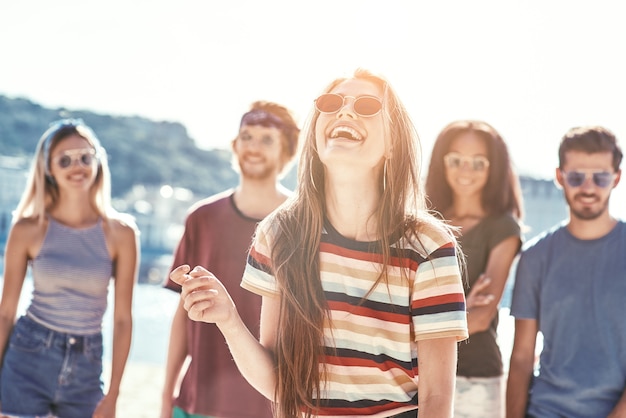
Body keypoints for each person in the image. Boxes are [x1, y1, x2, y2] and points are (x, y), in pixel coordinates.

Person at [170, 68, 469, 418]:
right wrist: (229, 320)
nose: (345, 111)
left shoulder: (429, 246)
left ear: (393, 144)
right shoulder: (278, 234)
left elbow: (436, 400)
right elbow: (280, 385)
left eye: (368, 105)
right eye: (332, 103)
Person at [160, 101, 300, 418]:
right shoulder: (201, 218)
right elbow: (183, 315)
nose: (253, 147)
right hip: (198, 403)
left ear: (286, 151)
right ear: (235, 146)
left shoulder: (303, 224)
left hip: (272, 407)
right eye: (247, 137)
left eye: (267, 139)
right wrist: (166, 396)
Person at [0, 119, 139, 418]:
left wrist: (113, 394)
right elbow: (6, 312)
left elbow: (123, 319)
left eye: (85, 157)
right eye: (65, 160)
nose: (77, 166)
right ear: (49, 169)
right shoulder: (27, 229)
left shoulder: (121, 233)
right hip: (27, 357)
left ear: (97, 160)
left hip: (86, 366)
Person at [506, 126, 626, 418]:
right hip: (546, 410)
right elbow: (522, 358)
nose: (587, 188)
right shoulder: (534, 258)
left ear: (616, 178)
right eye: (576, 177)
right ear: (560, 177)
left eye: (599, 177)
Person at [424, 120, 523, 417]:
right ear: (442, 163)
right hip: (418, 377)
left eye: (478, 163)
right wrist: (460, 311)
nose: (465, 171)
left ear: (493, 169)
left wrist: (421, 323)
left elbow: (480, 318)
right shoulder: (421, 219)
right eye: (456, 160)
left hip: (475, 380)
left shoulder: (504, 228)